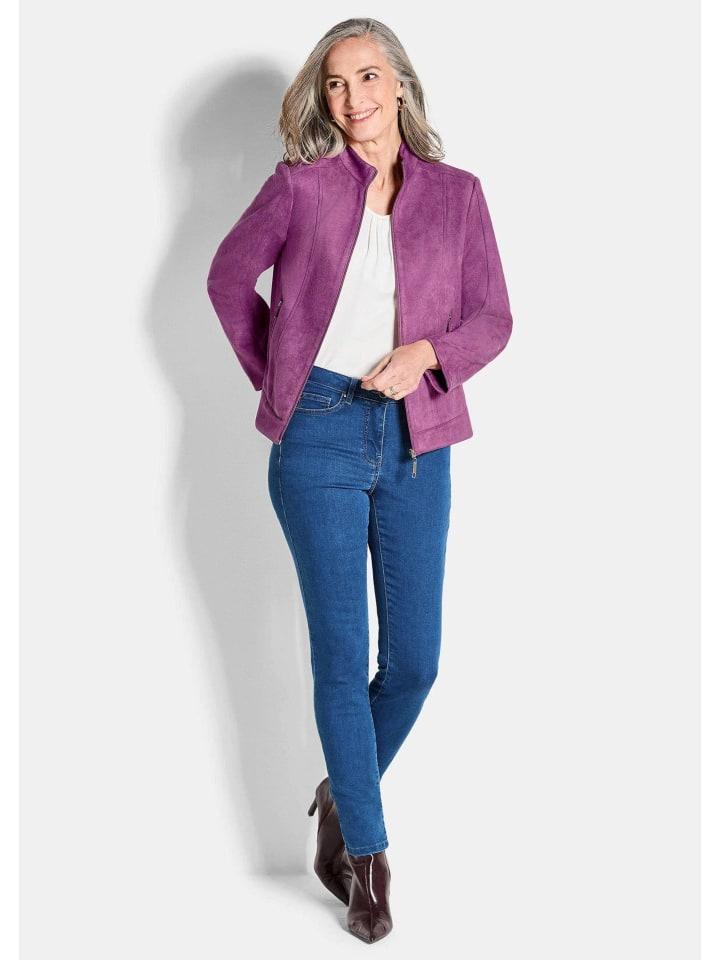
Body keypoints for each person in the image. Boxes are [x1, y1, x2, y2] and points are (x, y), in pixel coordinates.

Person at [206, 17, 513, 944]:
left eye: (369, 77)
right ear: (324, 97)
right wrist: (281, 379)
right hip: (321, 436)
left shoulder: (457, 195)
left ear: (400, 84)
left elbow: (494, 318)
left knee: (414, 661)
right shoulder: (298, 188)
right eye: (337, 83)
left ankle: (343, 789)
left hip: (420, 438)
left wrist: (427, 353)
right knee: (342, 658)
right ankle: (367, 864)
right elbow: (227, 281)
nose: (354, 98)